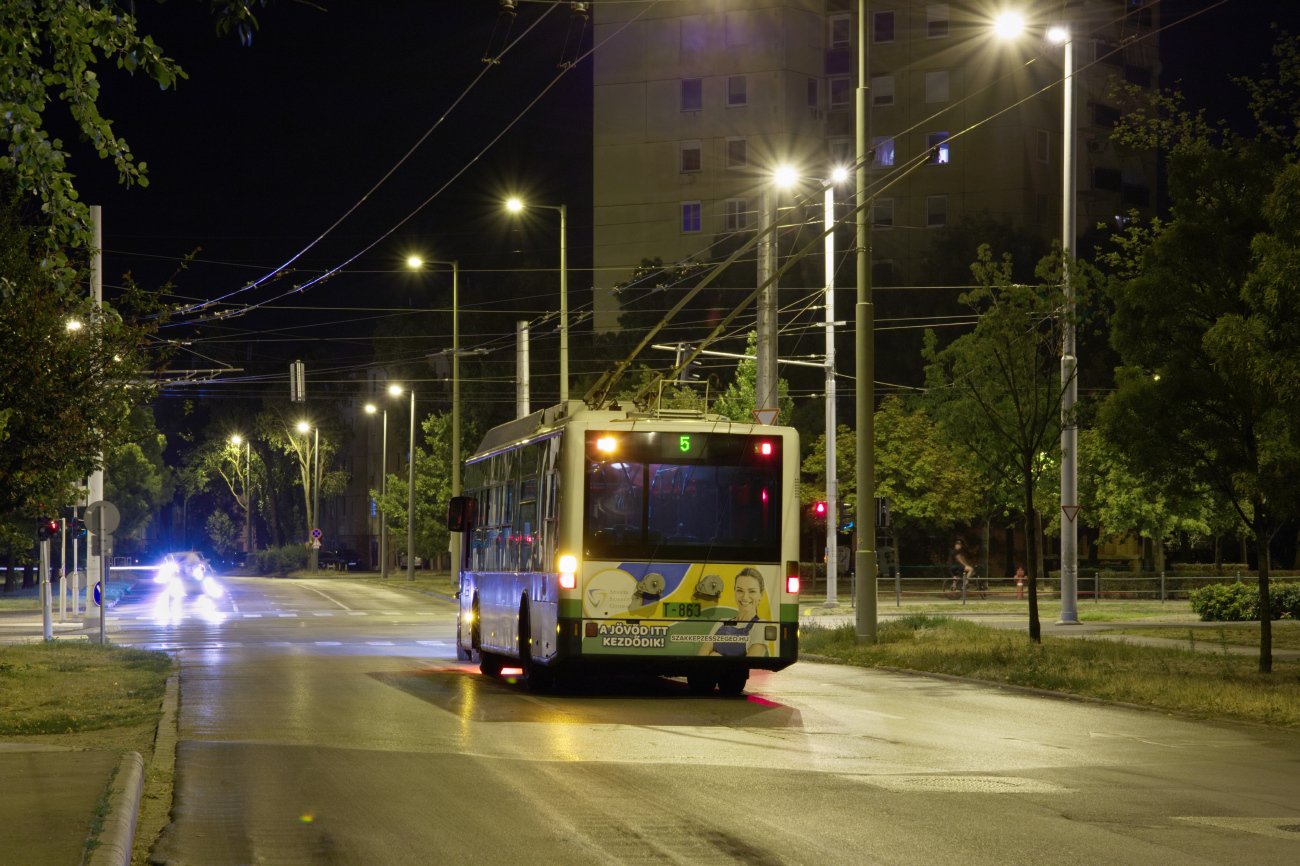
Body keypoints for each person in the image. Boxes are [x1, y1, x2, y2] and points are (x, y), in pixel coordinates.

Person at [700, 567, 769, 657]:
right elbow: (702, 656)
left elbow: (751, 663)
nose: (745, 597)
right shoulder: (721, 623)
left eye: (751, 591)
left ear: (761, 595)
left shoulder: (761, 626)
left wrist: (715, 655)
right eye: (740, 590)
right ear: (735, 592)